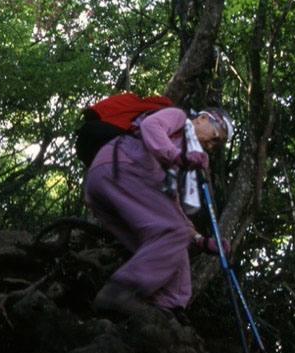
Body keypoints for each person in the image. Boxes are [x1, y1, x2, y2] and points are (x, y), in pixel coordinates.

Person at [85, 106, 234, 317]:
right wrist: (177, 156)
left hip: (106, 184)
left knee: (172, 239)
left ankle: (166, 309)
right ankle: (117, 293)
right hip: (120, 167)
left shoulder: (180, 158)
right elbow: (151, 125)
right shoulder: (180, 118)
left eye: (217, 145)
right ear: (202, 119)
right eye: (215, 137)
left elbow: (171, 205)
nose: (211, 145)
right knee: (173, 232)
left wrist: (200, 240)